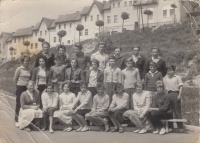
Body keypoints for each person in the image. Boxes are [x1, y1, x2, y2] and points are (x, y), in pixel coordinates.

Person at [163, 65, 184, 132]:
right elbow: (165, 88)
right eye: (168, 70)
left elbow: (181, 87)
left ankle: (180, 127)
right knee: (169, 111)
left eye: (171, 70)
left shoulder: (177, 77)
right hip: (168, 94)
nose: (170, 72)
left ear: (174, 71)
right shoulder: (165, 78)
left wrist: (179, 95)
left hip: (175, 94)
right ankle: (170, 127)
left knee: (177, 111)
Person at [13, 55, 32, 127]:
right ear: (22, 62)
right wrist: (17, 88)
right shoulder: (19, 69)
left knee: (27, 103)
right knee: (19, 103)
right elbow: (15, 79)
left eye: (28, 61)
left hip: (27, 88)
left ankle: (25, 119)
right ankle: (17, 120)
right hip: (20, 87)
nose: (27, 62)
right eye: (26, 61)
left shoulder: (30, 69)